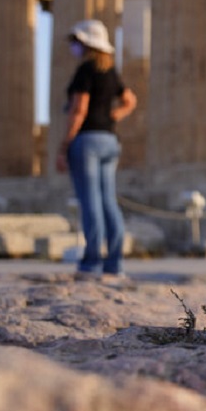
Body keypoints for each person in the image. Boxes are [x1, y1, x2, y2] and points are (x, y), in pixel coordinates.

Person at [56, 19, 138, 280]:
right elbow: (130, 100)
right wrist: (110, 116)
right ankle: (114, 265)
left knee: (90, 201)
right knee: (108, 201)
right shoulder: (111, 71)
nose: (74, 48)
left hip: (87, 140)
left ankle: (91, 263)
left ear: (86, 44)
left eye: (77, 43)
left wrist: (65, 143)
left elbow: (79, 110)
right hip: (109, 140)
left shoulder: (85, 71)